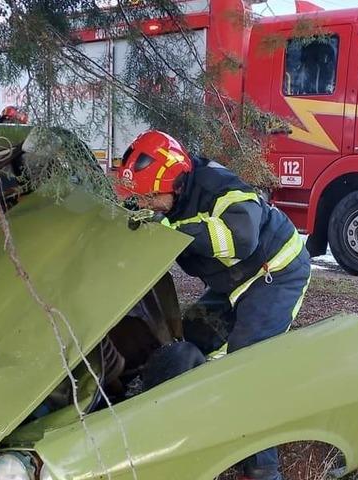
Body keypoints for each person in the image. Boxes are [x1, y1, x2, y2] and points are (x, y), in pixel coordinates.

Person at [115, 130, 311, 480]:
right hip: (231, 282)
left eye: (150, 197)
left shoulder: (221, 188)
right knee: (190, 335)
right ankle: (204, 420)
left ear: (174, 183)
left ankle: (263, 468)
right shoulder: (172, 197)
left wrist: (172, 231)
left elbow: (241, 238)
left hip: (275, 273)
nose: (144, 203)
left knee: (247, 361)